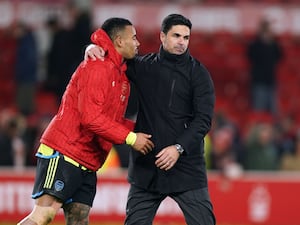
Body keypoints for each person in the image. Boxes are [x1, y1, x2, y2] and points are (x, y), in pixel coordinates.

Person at [17, 17, 154, 225]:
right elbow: (91, 118)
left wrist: (143, 131)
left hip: (87, 160)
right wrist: (131, 137)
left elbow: (111, 121)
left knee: (79, 219)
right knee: (44, 215)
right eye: (133, 38)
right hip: (65, 151)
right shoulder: (98, 67)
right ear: (119, 40)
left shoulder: (120, 75)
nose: (138, 43)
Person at [86, 14, 216, 225]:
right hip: (147, 167)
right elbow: (113, 54)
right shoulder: (142, 67)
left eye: (186, 37)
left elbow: (203, 120)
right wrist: (91, 48)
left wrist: (178, 148)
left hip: (186, 168)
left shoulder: (199, 75)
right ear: (162, 37)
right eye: (176, 36)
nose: (181, 42)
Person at [247, 18, 283, 115]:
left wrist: (271, 42)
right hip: (259, 81)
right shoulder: (255, 43)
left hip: (271, 80)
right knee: (259, 110)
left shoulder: (274, 43)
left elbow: (280, 56)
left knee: (274, 111)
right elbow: (250, 56)